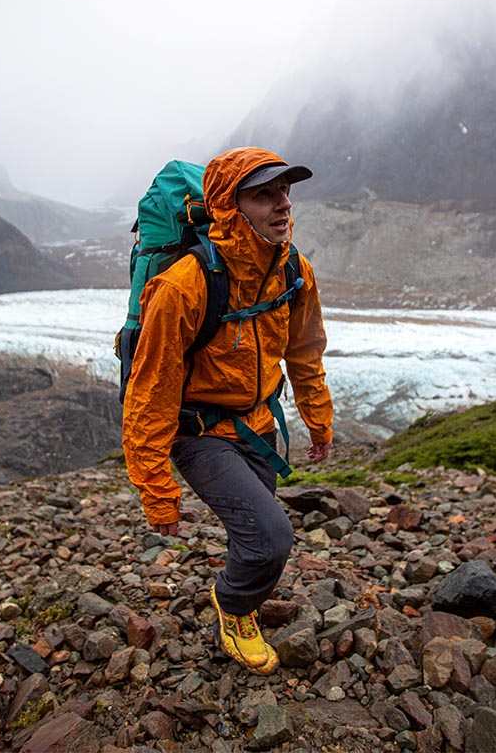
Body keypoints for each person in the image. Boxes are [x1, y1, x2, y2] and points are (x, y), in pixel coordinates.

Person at [122, 146, 334, 675]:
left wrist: (318, 418)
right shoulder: (184, 285)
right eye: (264, 194)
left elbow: (305, 352)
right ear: (228, 206)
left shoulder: (293, 269)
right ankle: (234, 608)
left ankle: (243, 592)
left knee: (256, 535)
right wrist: (157, 490)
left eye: (285, 191)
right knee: (272, 538)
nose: (282, 204)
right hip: (199, 432)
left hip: (260, 423)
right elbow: (149, 392)